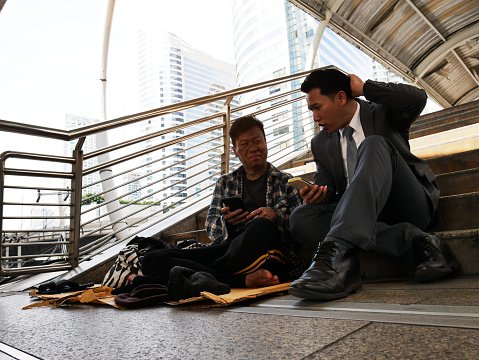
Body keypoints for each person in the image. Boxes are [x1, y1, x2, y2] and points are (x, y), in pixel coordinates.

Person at [288, 68, 458, 301]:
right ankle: (416, 240)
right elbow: (333, 193)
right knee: (300, 217)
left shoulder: (381, 113)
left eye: (317, 107)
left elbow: (417, 98)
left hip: (405, 204)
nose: (315, 118)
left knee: (374, 144)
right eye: (311, 110)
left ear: (340, 97)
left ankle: (336, 259)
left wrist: (366, 88)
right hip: (363, 216)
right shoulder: (320, 143)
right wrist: (319, 195)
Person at [140, 115, 303, 288]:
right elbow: (211, 227)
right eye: (245, 145)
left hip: (269, 253)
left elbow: (301, 229)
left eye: (257, 141)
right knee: (151, 260)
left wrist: (276, 216)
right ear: (235, 151)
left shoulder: (286, 182)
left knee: (260, 226)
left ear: (265, 142)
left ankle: (205, 274)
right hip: (226, 250)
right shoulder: (225, 183)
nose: (253, 148)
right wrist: (225, 222)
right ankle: (238, 279)